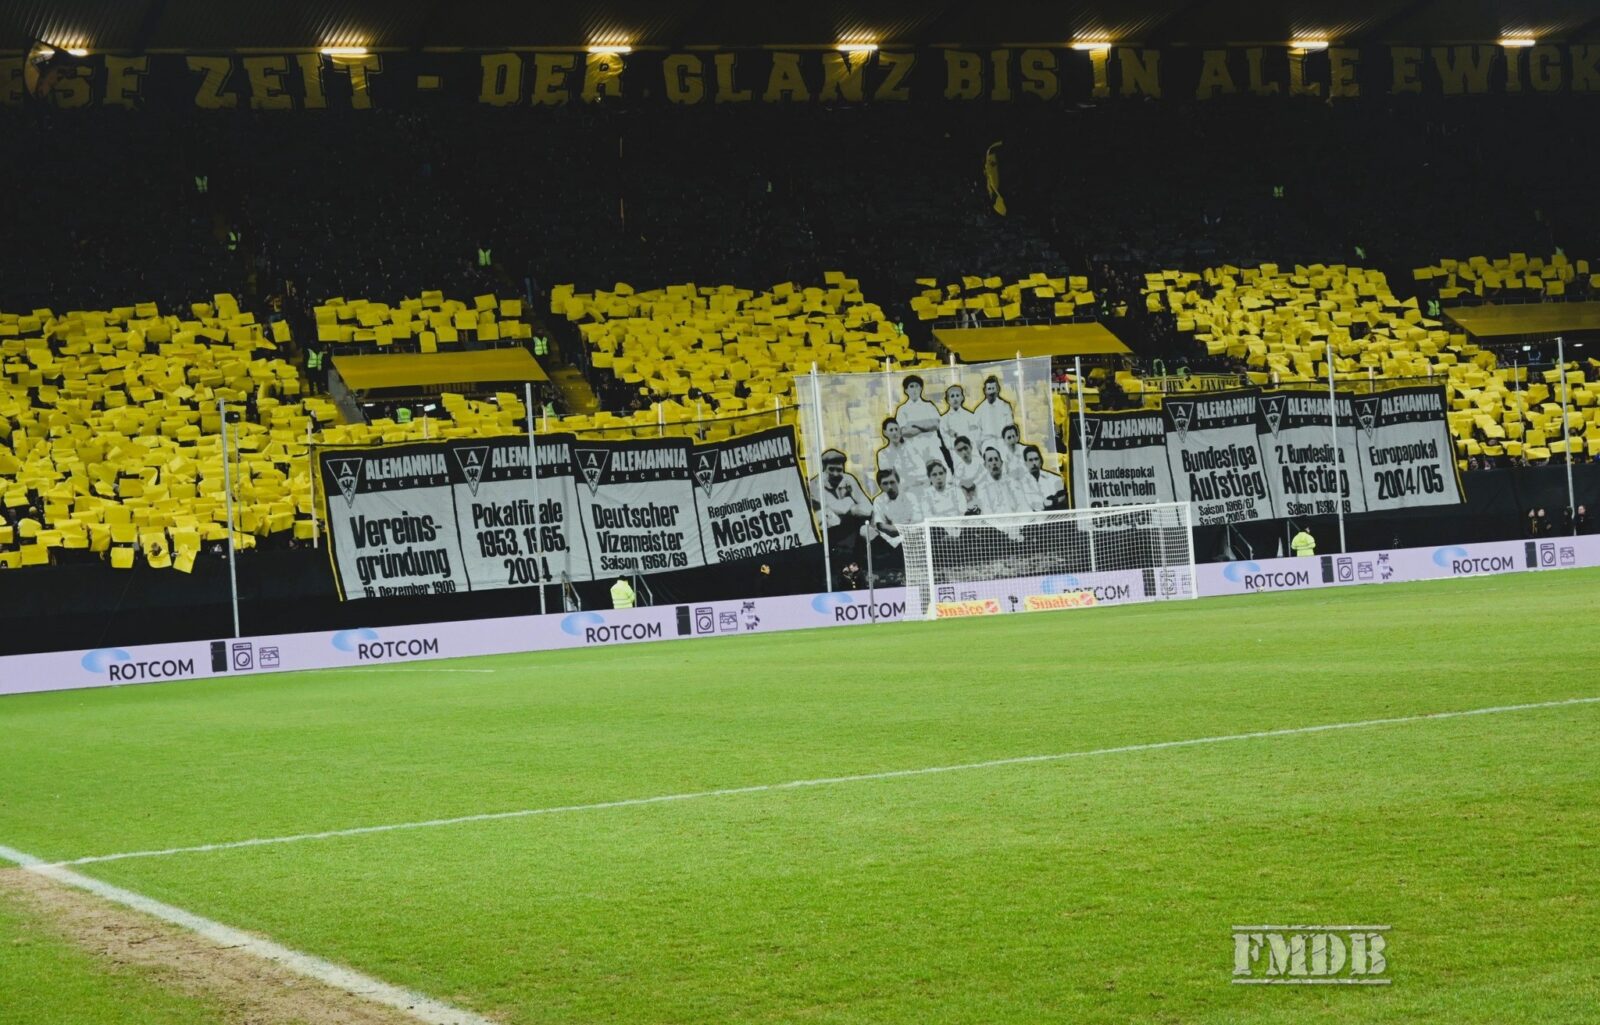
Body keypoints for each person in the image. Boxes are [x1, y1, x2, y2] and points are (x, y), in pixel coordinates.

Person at [812, 448, 870, 575]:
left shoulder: (848, 479)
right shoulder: (815, 484)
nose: (836, 473)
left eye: (839, 469)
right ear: (824, 469)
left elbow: (867, 508)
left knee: (866, 530)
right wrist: (849, 502)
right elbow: (831, 510)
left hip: (848, 527)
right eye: (831, 469)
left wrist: (851, 508)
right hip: (828, 532)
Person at [894, 375, 945, 475]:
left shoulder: (928, 405)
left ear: (921, 388)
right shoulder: (902, 409)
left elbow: (936, 425)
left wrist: (913, 424)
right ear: (906, 390)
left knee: (939, 473)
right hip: (913, 448)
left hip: (932, 446)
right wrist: (926, 426)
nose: (914, 389)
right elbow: (904, 432)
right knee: (921, 476)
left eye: (917, 386)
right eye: (911, 386)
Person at [974, 446, 1026, 515]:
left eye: (996, 459)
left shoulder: (1012, 483)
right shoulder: (982, 488)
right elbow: (986, 512)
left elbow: (1022, 506)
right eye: (990, 460)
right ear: (985, 465)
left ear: (1001, 463)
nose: (994, 462)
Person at [973, 374, 1017, 452]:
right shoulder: (979, 410)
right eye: (989, 389)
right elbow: (976, 432)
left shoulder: (1005, 406)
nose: (991, 392)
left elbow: (1010, 426)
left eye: (993, 388)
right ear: (985, 391)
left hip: (1004, 443)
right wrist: (980, 447)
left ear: (997, 390)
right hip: (987, 443)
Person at [1017, 445, 1068, 511]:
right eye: (1030, 460)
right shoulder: (1021, 483)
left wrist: (1053, 502)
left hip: (1053, 517)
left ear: (1041, 461)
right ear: (1025, 463)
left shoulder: (1055, 478)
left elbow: (1063, 498)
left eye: (1036, 459)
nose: (1034, 463)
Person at [940, 384, 980, 455]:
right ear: (948, 400)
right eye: (952, 396)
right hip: (955, 453)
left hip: (972, 451)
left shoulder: (969, 416)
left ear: (962, 397)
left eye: (957, 395)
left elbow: (975, 436)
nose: (955, 399)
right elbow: (946, 440)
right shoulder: (944, 419)